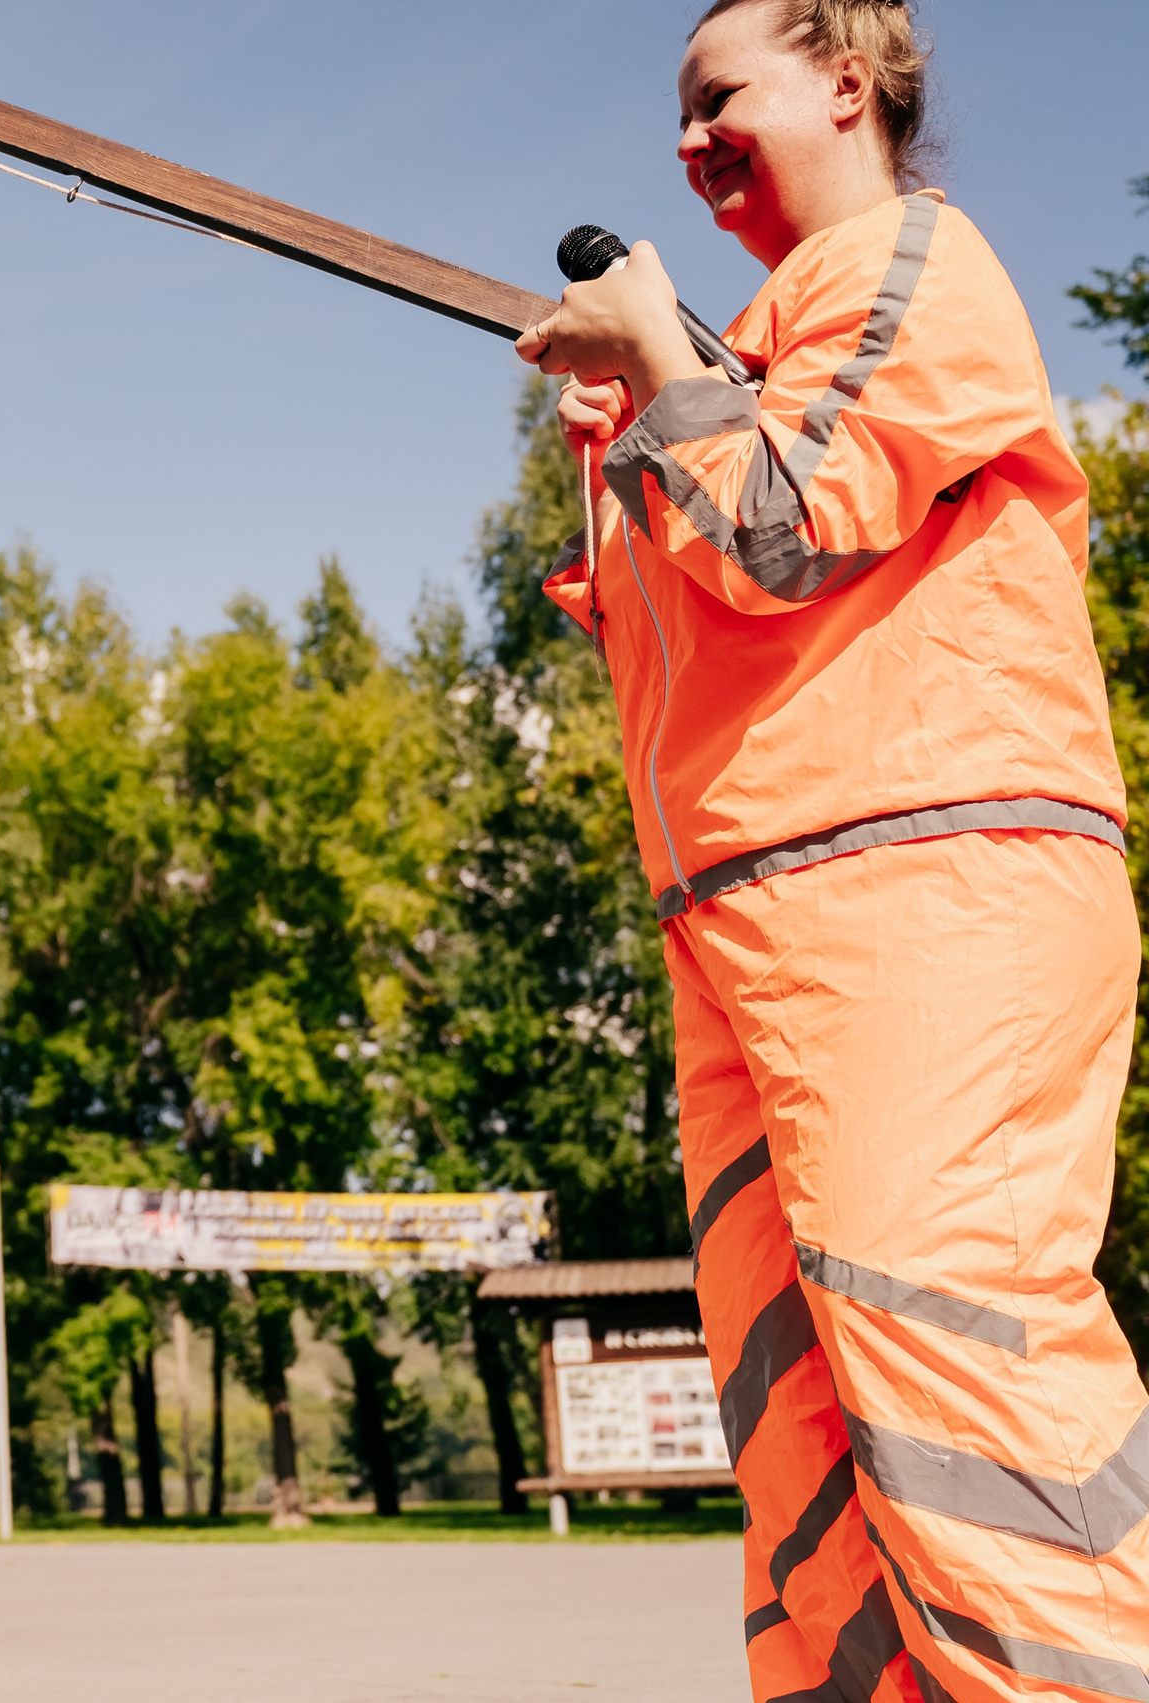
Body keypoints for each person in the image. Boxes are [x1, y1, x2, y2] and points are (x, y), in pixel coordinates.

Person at [517, 3, 1146, 1697]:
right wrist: (635, 403)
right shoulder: (757, 342)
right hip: (747, 915)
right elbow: (680, 621)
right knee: (806, 1432)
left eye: (721, 95)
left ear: (848, 84)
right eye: (678, 110)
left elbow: (784, 528)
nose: (688, 138)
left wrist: (665, 361)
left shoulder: (907, 264)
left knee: (954, 1367)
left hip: (925, 883)